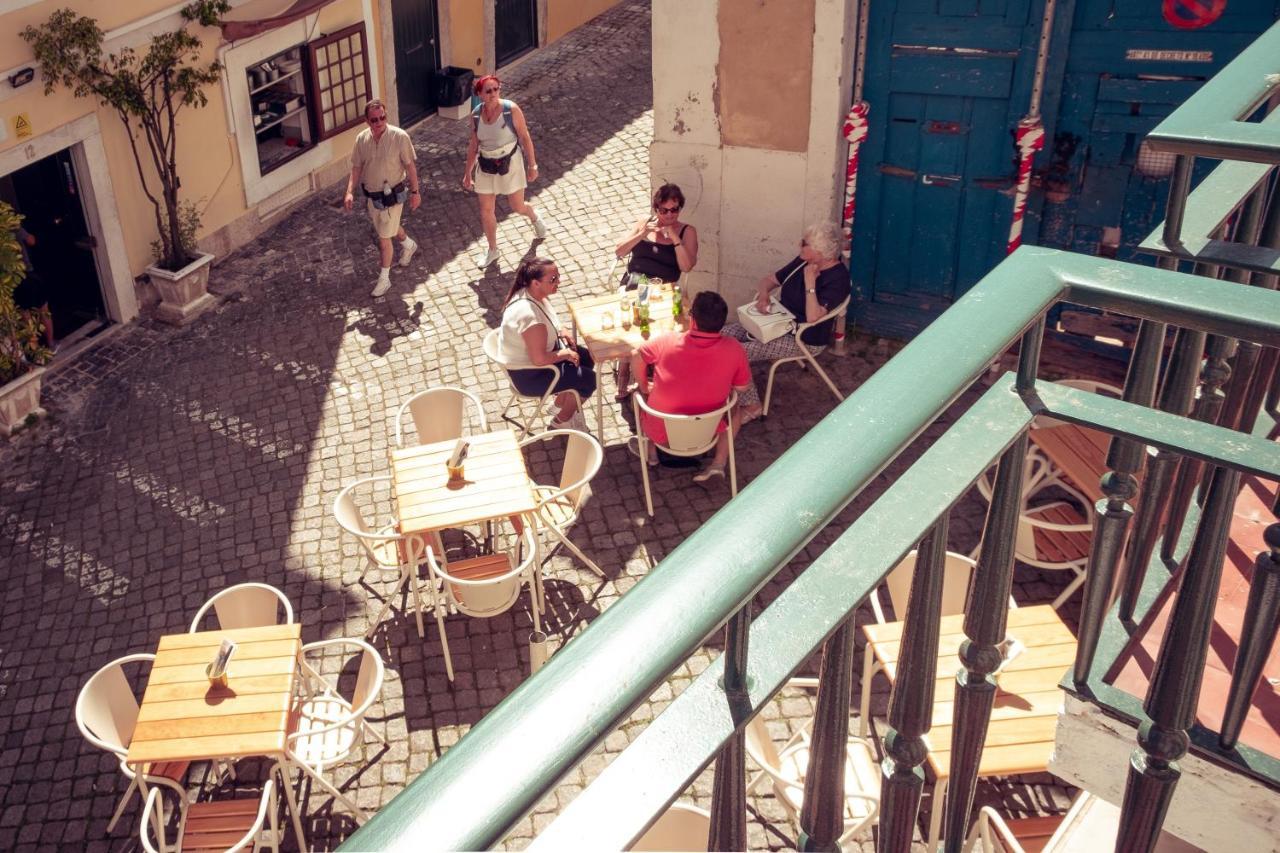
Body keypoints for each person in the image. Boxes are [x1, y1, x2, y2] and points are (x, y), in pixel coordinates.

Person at [721, 222, 849, 423]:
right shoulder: (802, 260)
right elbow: (768, 280)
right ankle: (714, 383)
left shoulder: (838, 279)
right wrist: (763, 296)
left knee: (736, 352)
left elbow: (813, 317)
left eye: (804, 243)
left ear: (820, 252)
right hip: (774, 321)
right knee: (719, 335)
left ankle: (752, 405)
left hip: (802, 338)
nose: (800, 244)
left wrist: (810, 283)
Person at [630, 291, 749, 483]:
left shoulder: (667, 341)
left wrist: (644, 386)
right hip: (707, 430)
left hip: (663, 432)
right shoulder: (734, 347)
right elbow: (742, 388)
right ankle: (719, 463)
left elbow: (636, 355)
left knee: (645, 394)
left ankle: (651, 452)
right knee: (733, 406)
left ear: (692, 320)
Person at [612, 183, 699, 396]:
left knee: (655, 321)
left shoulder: (687, 231)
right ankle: (625, 366)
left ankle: (644, 364)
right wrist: (640, 235)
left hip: (664, 289)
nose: (669, 214)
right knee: (631, 318)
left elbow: (687, 266)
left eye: (674, 209)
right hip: (634, 283)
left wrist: (675, 239)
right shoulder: (644, 224)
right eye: (664, 210)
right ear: (656, 208)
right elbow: (619, 252)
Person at [462, 75, 549, 269]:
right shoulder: (476, 115)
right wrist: (468, 173)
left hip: (510, 162)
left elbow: (525, 137)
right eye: (488, 91)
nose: (493, 94)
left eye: (496, 89)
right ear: (479, 94)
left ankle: (534, 216)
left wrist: (532, 164)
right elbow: (474, 144)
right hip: (486, 165)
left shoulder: (511, 110)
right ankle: (493, 250)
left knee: (517, 206)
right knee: (486, 210)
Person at [498, 257, 595, 430]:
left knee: (587, 357)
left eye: (558, 276)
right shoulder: (530, 318)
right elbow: (539, 360)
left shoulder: (530, 292)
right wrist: (565, 354)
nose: (559, 281)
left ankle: (560, 402)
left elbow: (549, 319)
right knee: (588, 380)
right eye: (553, 279)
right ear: (535, 283)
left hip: (533, 360)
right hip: (529, 375)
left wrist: (561, 329)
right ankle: (561, 421)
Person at [344, 99, 420, 297]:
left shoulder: (399, 137)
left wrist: (415, 192)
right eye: (374, 119)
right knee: (388, 228)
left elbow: (410, 166)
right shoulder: (361, 139)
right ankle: (409, 245)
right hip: (373, 198)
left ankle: (384, 279)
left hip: (392, 196)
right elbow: (357, 167)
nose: (379, 122)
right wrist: (349, 191)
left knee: (384, 238)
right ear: (367, 121)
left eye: (382, 118)